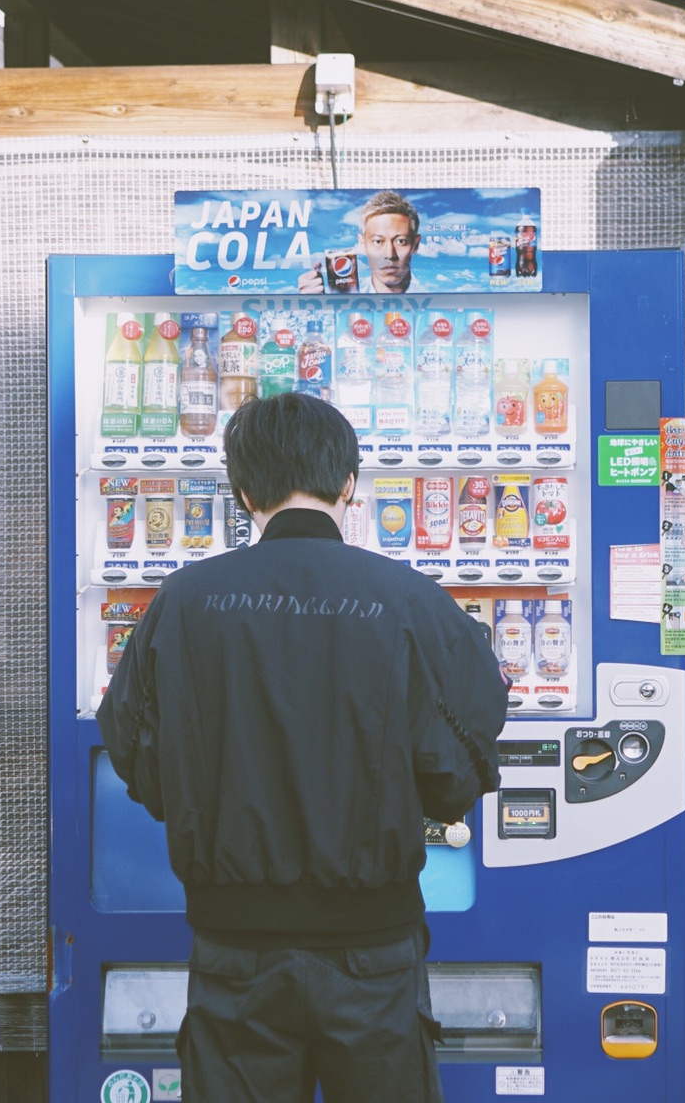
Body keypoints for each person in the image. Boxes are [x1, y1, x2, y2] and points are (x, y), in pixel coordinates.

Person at [98, 392, 506, 1103]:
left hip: (234, 953)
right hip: (373, 953)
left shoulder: (184, 602)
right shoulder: (411, 602)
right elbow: (457, 773)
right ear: (349, 483)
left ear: (244, 490)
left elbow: (136, 757)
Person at [298, 190, 422, 293]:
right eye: (378, 241)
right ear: (362, 245)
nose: (389, 255)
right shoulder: (348, 297)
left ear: (415, 245)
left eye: (400, 241)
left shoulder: (435, 298)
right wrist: (317, 305)